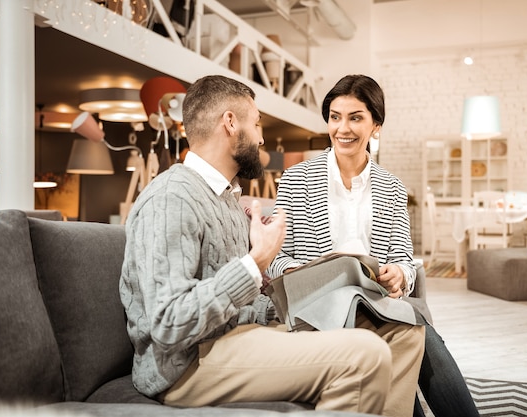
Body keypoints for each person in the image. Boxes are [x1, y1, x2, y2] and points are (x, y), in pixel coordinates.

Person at [119, 74, 425, 417]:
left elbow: (241, 303)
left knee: (404, 330)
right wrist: (257, 262)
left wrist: (294, 291)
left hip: (238, 335)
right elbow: (169, 325)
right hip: (186, 363)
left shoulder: (226, 199)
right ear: (231, 123)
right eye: (257, 123)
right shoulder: (171, 198)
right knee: (365, 354)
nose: (262, 138)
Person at [267, 74, 480, 417]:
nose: (343, 128)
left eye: (355, 117)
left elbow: (405, 260)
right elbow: (275, 256)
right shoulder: (296, 179)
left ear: (376, 125)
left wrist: (399, 274)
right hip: (318, 309)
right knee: (412, 339)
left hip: (376, 304)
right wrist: (294, 271)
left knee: (418, 333)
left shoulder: (392, 187)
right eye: (335, 117)